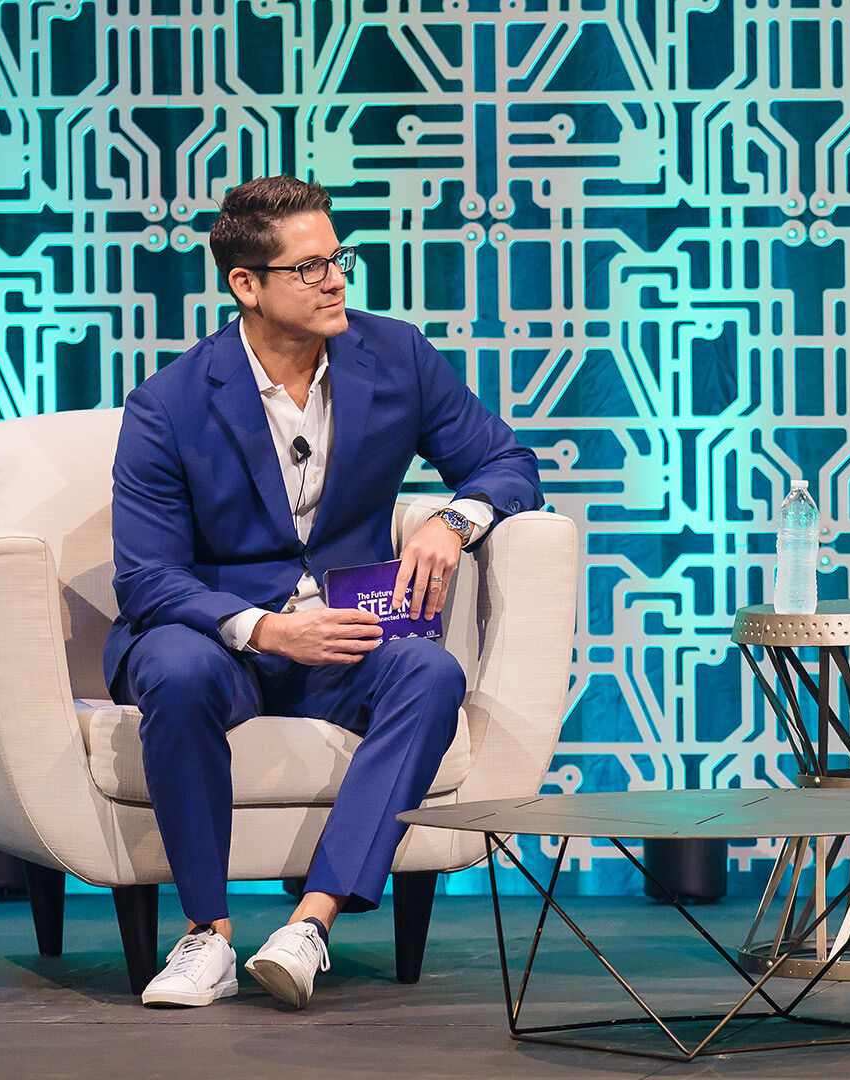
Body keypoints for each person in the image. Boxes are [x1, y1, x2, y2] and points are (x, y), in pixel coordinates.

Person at [106, 176, 543, 1009]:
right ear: (248, 285)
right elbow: (148, 578)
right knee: (175, 669)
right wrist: (266, 630)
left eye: (337, 258)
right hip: (219, 639)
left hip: (347, 636)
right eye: (309, 269)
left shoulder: (397, 356)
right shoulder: (167, 405)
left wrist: (450, 522)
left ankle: (311, 923)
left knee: (432, 674)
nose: (336, 279)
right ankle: (208, 936)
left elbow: (507, 463)